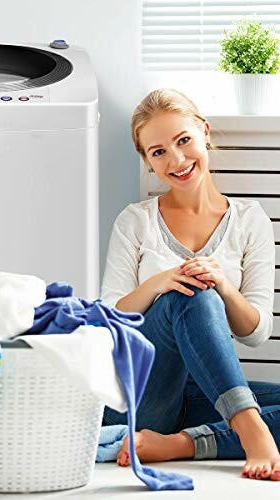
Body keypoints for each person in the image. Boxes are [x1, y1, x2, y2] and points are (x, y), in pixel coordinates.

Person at [100, 88, 280, 481]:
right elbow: (108, 320)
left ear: (204, 132)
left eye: (183, 141)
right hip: (139, 393)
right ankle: (250, 429)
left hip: (203, 392)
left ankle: (181, 443)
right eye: (158, 151)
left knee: (203, 288)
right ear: (147, 160)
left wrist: (224, 287)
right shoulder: (135, 221)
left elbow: (256, 333)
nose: (177, 160)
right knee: (190, 291)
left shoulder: (250, 221)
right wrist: (162, 282)